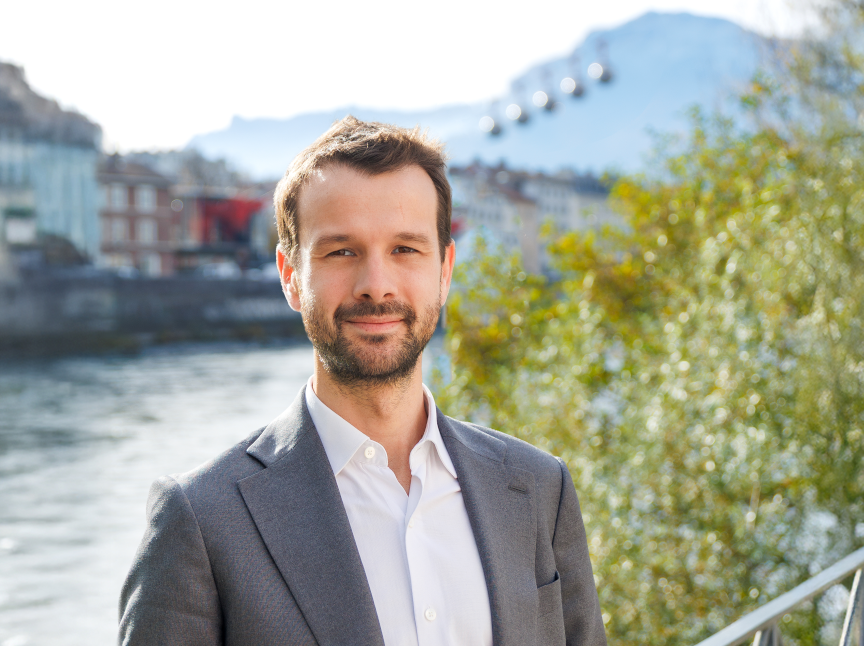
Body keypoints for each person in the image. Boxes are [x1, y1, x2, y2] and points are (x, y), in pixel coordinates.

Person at [118, 116, 607, 646]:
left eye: (405, 249)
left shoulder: (539, 488)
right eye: (342, 251)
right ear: (290, 275)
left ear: (444, 270)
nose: (376, 285)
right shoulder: (202, 521)